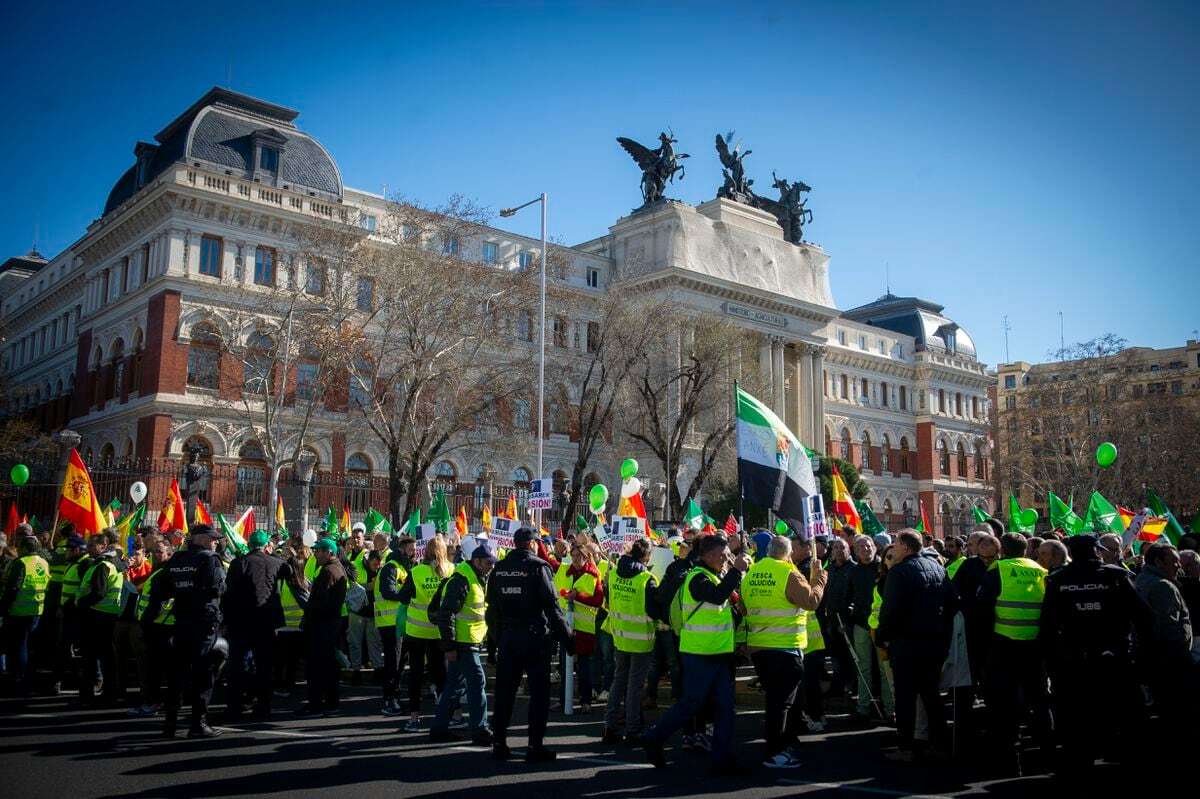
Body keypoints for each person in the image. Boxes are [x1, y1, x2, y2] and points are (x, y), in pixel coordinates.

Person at [642, 533, 752, 777]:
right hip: (699, 654)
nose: (726, 559)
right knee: (691, 704)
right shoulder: (697, 578)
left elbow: (721, 606)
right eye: (722, 555)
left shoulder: (714, 575)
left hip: (719, 653)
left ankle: (721, 759)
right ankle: (654, 737)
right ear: (708, 555)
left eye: (727, 555)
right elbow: (716, 596)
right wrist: (736, 570)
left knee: (725, 708)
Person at [1039, 534, 1150, 772]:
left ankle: (1080, 766)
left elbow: (1047, 626)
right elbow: (1144, 616)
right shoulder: (1116, 576)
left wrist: (1053, 662)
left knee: (1077, 721)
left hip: (1074, 661)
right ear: (1097, 551)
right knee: (1125, 717)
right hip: (1114, 657)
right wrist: (1137, 652)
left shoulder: (1058, 580)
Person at [488, 526, 574, 761]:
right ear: (533, 543)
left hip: (508, 638)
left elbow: (491, 610)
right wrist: (568, 640)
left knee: (505, 693)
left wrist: (495, 642)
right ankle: (534, 746)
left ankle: (499, 743)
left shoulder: (500, 568)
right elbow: (553, 609)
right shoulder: (538, 567)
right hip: (535, 639)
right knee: (539, 695)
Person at [743, 535, 826, 769]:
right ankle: (774, 752)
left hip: (759, 648)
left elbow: (744, 605)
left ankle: (781, 745)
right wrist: (819, 580)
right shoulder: (788, 573)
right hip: (784, 648)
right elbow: (811, 601)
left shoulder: (753, 572)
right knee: (781, 704)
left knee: (775, 700)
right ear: (788, 554)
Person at [875, 530, 954, 762]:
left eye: (896, 544)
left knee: (906, 698)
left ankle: (906, 747)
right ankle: (940, 744)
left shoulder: (899, 573)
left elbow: (890, 611)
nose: (893, 548)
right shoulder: (939, 569)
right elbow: (951, 604)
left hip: (907, 644)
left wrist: (882, 637)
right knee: (932, 696)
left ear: (906, 548)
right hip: (934, 643)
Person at [977, 532, 1051, 775]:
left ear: (1002, 550)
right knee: (1039, 700)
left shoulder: (998, 570)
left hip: (1003, 644)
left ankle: (1010, 760)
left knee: (1004, 706)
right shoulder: (1040, 570)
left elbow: (983, 610)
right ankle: (1046, 755)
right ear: (1026, 549)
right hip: (1035, 644)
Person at [142, 525, 226, 737]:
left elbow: (161, 590)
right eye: (212, 538)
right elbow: (217, 588)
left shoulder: (177, 559)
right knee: (203, 674)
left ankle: (170, 724)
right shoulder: (210, 559)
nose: (215, 541)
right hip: (203, 624)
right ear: (201, 539)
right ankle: (198, 724)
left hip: (180, 623)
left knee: (176, 674)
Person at [429, 538, 496, 745]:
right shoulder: (462, 580)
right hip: (463, 644)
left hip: (466, 643)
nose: (490, 567)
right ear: (476, 561)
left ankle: (439, 728)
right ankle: (480, 729)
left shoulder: (473, 577)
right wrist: (448, 646)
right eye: (488, 563)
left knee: (454, 687)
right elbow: (445, 613)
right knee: (477, 684)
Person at [223, 530, 288, 720]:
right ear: (266, 545)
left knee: (237, 666)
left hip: (241, 623)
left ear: (249, 545)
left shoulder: (239, 563)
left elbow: (229, 594)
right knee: (264, 666)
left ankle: (235, 705)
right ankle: (263, 706)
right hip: (266, 623)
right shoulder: (275, 562)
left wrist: (226, 620)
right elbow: (289, 571)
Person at [600, 537, 658, 747]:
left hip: (620, 636)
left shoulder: (614, 573)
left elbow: (608, 599)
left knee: (618, 683)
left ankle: (610, 727)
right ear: (646, 556)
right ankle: (633, 730)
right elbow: (654, 610)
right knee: (634, 688)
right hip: (641, 640)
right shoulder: (646, 578)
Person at [1135, 542, 1195, 739]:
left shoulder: (1143, 580)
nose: (1179, 566)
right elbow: (1168, 626)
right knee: (1176, 712)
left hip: (1154, 659)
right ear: (1159, 562)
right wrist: (1181, 658)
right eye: (1174, 562)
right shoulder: (1162, 586)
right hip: (1170, 662)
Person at [399, 534, 450, 731]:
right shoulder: (451, 570)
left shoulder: (416, 571)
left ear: (425, 552)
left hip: (417, 631)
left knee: (416, 675)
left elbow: (403, 598)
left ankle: (414, 718)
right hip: (440, 632)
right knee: (442, 675)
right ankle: (449, 716)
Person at [843, 534, 890, 722]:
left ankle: (890, 709)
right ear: (855, 551)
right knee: (863, 668)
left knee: (884, 669)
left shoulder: (884, 568)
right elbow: (848, 595)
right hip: (861, 624)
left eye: (868, 545)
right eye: (861, 547)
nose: (866, 549)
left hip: (881, 626)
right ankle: (863, 707)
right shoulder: (853, 571)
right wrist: (849, 614)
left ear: (875, 547)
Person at [76, 531, 125, 707]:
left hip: (96, 615)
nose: (88, 549)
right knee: (106, 657)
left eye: (91, 546)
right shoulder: (113, 564)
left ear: (103, 546)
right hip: (107, 616)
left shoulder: (103, 566)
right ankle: (109, 693)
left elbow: (99, 592)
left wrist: (81, 602)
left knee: (90, 657)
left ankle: (87, 696)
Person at [299, 537, 348, 716]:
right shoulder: (335, 568)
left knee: (318, 667)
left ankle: (316, 705)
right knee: (328, 667)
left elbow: (321, 602)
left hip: (322, 627)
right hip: (329, 625)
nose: (316, 553)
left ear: (329, 552)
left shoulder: (329, 571)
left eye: (319, 550)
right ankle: (330, 703)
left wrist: (308, 607)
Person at [554, 540, 603, 713]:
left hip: (584, 628)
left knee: (583, 667)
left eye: (578, 556)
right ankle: (563, 700)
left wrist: (578, 597)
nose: (574, 559)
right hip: (565, 626)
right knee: (564, 665)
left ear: (586, 557)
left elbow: (598, 600)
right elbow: (555, 592)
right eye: (573, 556)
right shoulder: (563, 570)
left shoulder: (593, 574)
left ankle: (585, 701)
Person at [0, 531, 50, 696]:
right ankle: (27, 679)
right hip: (37, 610)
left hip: (19, 611)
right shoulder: (43, 562)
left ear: (24, 548)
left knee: (19, 647)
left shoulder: (20, 563)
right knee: (29, 647)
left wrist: (4, 607)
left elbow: (13, 588)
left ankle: (19, 680)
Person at [130, 534, 174, 716]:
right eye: (155, 551)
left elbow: (160, 602)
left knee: (155, 669)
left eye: (161, 552)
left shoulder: (165, 573)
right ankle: (158, 702)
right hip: (155, 625)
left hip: (159, 626)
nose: (156, 554)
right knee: (155, 668)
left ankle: (154, 703)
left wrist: (146, 621)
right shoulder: (158, 571)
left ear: (170, 554)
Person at [374, 533, 412, 717]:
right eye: (411, 550)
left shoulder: (401, 567)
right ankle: (390, 700)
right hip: (390, 623)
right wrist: (405, 594)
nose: (414, 553)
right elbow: (388, 592)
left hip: (398, 623)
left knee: (399, 662)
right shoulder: (391, 567)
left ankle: (394, 697)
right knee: (393, 662)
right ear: (402, 549)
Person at [113, 536, 152, 707]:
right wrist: (124, 571)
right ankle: (119, 690)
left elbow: (139, 589)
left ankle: (145, 691)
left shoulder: (149, 569)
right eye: (132, 554)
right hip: (121, 618)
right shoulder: (123, 568)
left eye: (137, 554)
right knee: (118, 656)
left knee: (141, 657)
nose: (134, 558)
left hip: (137, 621)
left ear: (144, 554)